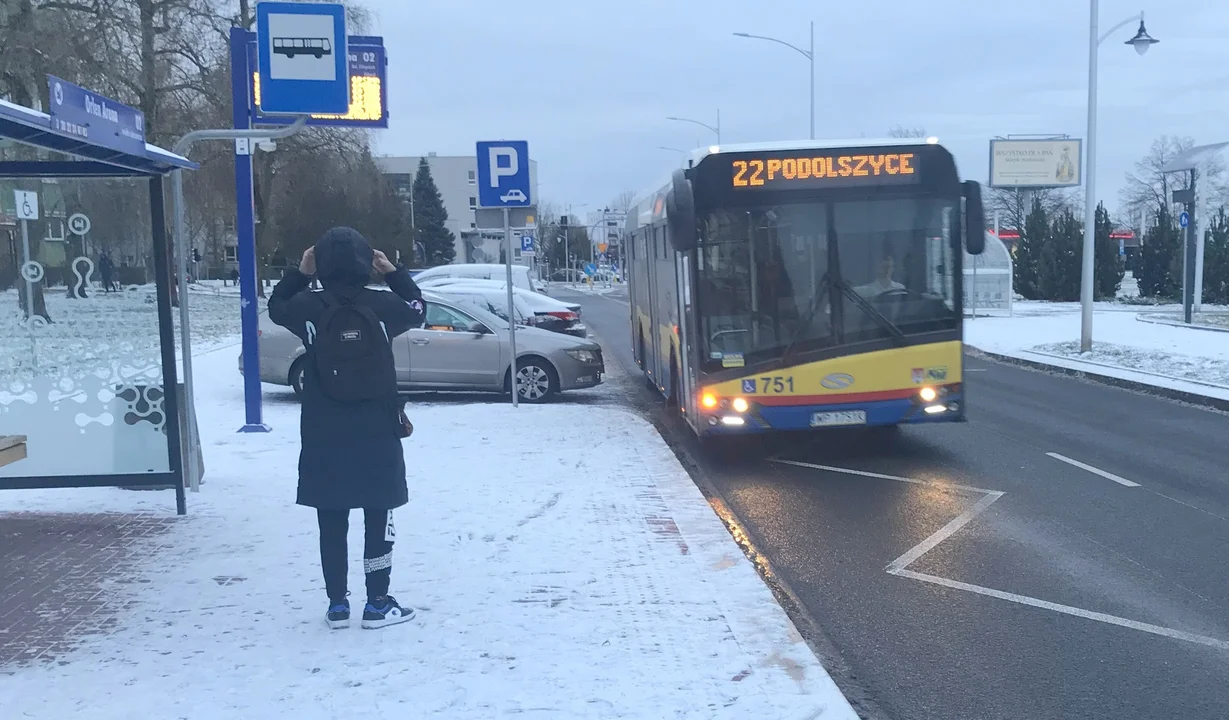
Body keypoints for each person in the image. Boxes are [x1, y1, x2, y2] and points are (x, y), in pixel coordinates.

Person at [268, 227, 426, 630]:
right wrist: (393, 273)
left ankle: (338, 604)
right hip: (378, 427)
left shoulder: (307, 306)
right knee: (379, 513)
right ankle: (377, 601)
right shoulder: (386, 307)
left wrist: (301, 274)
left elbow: (276, 306)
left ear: (319, 262)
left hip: (324, 429)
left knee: (331, 517)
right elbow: (418, 307)